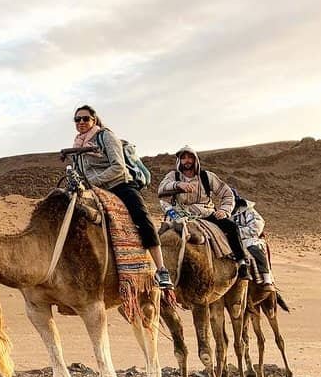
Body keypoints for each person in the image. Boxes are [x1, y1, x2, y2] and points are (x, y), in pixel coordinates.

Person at [61, 104, 173, 289]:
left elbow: (118, 167)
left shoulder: (106, 136)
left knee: (142, 218)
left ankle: (161, 270)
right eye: (77, 119)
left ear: (94, 120)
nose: (81, 122)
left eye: (85, 118)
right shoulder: (76, 146)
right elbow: (81, 173)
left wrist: (94, 180)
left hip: (119, 185)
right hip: (92, 190)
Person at [157, 146, 249, 279]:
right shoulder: (173, 176)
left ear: (195, 159)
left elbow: (228, 194)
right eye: (183, 157)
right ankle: (160, 269)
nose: (186, 160)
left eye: (190, 157)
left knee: (231, 227)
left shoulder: (207, 177)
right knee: (161, 235)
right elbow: (161, 189)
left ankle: (241, 262)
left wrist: (224, 210)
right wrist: (178, 185)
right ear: (179, 160)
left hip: (206, 213)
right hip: (180, 215)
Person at [232, 190, 275, 287]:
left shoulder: (248, 211)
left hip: (249, 239)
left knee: (254, 249)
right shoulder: (225, 214)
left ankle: (266, 278)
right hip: (232, 240)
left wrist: (236, 232)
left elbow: (256, 228)